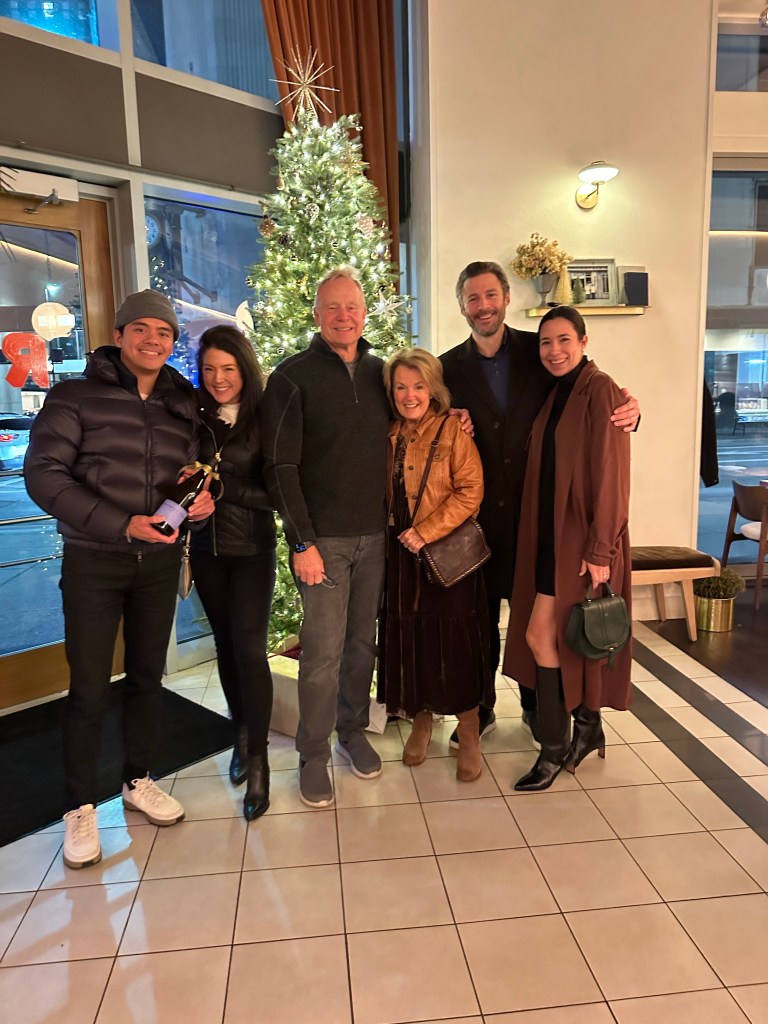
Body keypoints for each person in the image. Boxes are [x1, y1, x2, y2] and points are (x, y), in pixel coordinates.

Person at [24, 290, 214, 868]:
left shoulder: (182, 402)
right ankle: (79, 806)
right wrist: (121, 523)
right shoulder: (74, 396)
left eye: (164, 332)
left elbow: (195, 475)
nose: (154, 340)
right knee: (88, 687)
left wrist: (203, 504)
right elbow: (44, 474)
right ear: (120, 333)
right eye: (142, 329)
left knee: (147, 678)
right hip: (94, 560)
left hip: (158, 563)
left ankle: (138, 779)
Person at [440, 261, 639, 747]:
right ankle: (481, 708)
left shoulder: (541, 351)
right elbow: (427, 419)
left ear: (506, 298)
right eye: (472, 298)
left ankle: (537, 708)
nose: (483, 306)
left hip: (539, 517)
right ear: (461, 305)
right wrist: (448, 420)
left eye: (491, 295)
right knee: (479, 618)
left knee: (535, 615)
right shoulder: (446, 367)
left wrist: (632, 412)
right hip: (477, 519)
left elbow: (589, 398)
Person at [261, 267, 390, 808]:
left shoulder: (382, 374)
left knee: (362, 645)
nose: (343, 316)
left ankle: (352, 730)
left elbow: (416, 417)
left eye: (352, 307)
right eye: (332, 307)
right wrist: (301, 542)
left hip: (376, 538)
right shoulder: (292, 377)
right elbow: (279, 466)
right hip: (323, 544)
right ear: (316, 314)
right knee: (320, 654)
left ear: (365, 313)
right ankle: (313, 754)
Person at [503, 306, 631, 791]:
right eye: (545, 342)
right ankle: (586, 727)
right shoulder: (557, 390)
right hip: (548, 536)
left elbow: (613, 474)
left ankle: (555, 748)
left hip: (580, 540)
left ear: (583, 341)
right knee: (556, 638)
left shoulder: (601, 390)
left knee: (548, 637)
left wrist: (601, 549)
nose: (554, 351)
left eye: (563, 340)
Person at [378, 349, 491, 782]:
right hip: (401, 553)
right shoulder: (389, 432)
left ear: (433, 390)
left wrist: (427, 531)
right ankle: (422, 720)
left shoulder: (452, 430)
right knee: (414, 639)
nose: (409, 395)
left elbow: (471, 490)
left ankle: (469, 728)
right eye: (401, 387)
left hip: (444, 553)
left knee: (456, 644)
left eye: (418, 386)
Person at [189, 326, 276, 821]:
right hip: (206, 551)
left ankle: (259, 761)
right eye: (209, 369)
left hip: (252, 552)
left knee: (249, 650)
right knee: (225, 646)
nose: (218, 379)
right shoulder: (195, 418)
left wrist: (223, 490)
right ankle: (240, 735)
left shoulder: (265, 419)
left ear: (244, 368)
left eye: (228, 368)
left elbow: (277, 494)